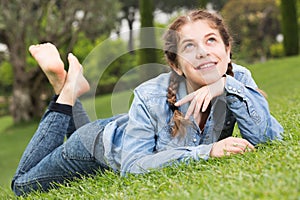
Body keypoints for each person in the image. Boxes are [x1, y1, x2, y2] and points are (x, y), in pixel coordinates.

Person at [11, 9, 283, 196]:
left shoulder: (238, 78)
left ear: (227, 49)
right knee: (22, 185)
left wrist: (226, 86)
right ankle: (67, 91)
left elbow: (269, 137)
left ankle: (68, 85)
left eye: (210, 40)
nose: (203, 52)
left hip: (126, 130)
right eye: (189, 46)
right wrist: (207, 152)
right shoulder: (151, 95)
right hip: (96, 144)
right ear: (176, 64)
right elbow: (133, 166)